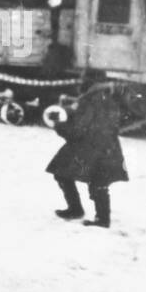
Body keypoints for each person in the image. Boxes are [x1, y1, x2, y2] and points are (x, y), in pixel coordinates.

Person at [46, 85, 127, 228]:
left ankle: (84, 212)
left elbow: (77, 131)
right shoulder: (109, 100)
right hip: (109, 147)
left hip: (89, 148)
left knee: (63, 174)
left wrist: (58, 125)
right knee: (99, 182)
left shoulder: (88, 101)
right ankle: (98, 216)